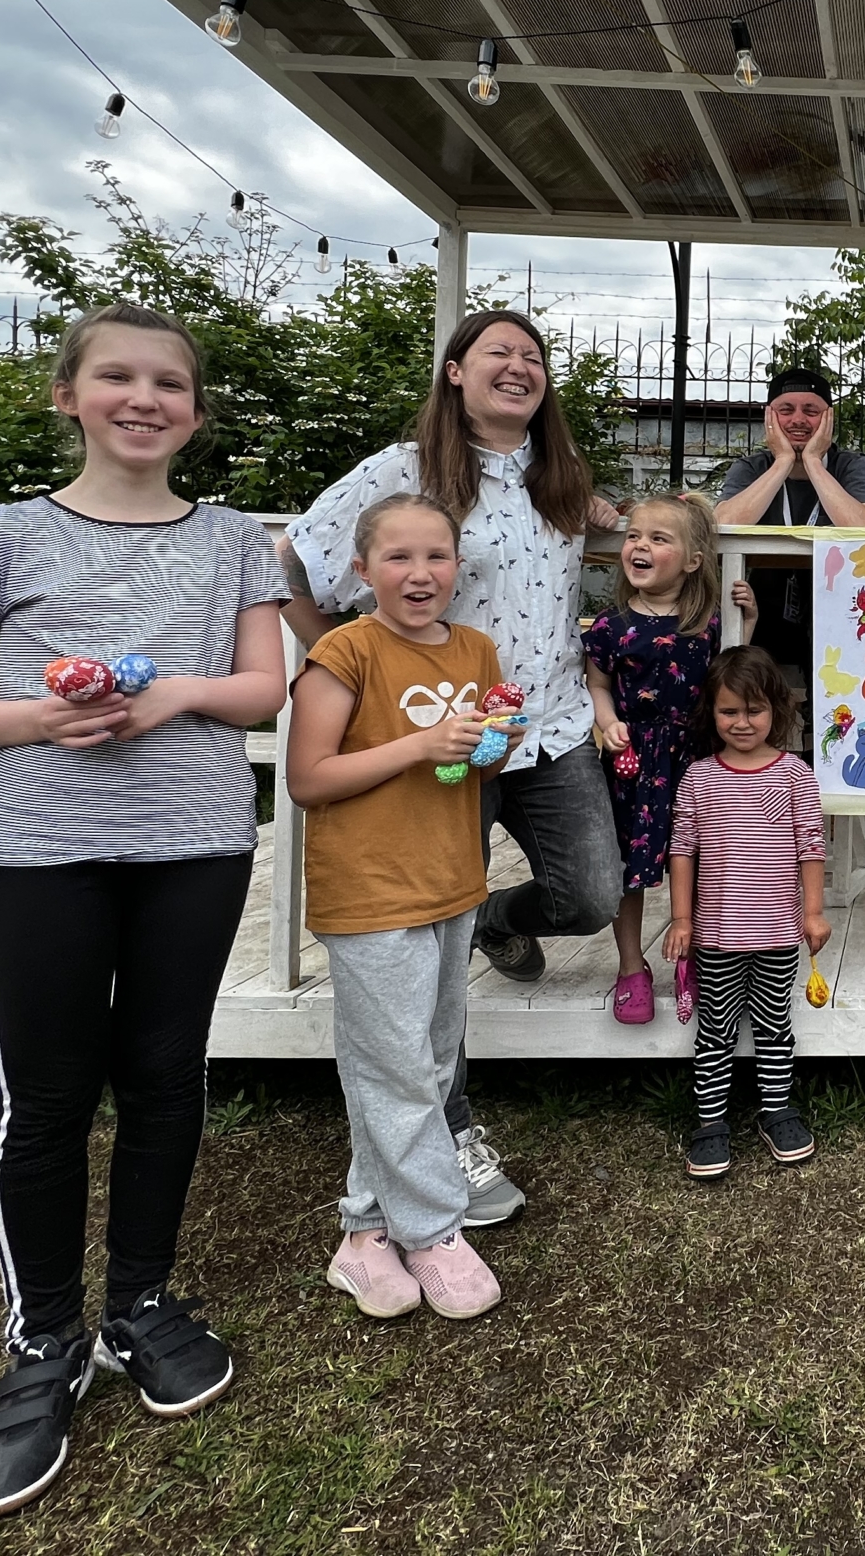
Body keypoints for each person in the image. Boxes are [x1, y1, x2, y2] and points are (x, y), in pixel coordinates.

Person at [0, 301, 288, 1521]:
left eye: (168, 383)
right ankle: (44, 1346)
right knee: (50, 1098)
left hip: (197, 842)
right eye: (116, 377)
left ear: (195, 411)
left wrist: (172, 694)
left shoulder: (232, 540)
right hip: (37, 852)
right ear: (67, 395)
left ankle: (143, 1303)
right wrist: (38, 717)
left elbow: (264, 683)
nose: (144, 398)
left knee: (168, 1075)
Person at [281, 310, 623, 1227]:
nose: (518, 368)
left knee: (589, 893)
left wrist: (623, 521)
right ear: (455, 372)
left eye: (534, 357)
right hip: (438, 738)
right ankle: (449, 1133)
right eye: (498, 354)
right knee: (431, 940)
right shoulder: (406, 470)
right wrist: (349, 672)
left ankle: (497, 922)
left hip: (544, 725)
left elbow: (622, 547)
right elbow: (295, 559)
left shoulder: (561, 476)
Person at [288, 492, 519, 1321]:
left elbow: (475, 774)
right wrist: (423, 743)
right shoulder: (345, 652)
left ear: (460, 567)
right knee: (396, 1068)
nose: (419, 574)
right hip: (370, 888)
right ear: (361, 570)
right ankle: (433, 1232)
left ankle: (363, 1233)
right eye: (398, 558)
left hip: (451, 880)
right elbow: (308, 779)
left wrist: (494, 744)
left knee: (413, 1062)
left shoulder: (477, 648)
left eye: (436, 557)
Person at [584, 492, 755, 1024]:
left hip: (695, 758)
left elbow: (730, 675)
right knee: (629, 869)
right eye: (634, 536)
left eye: (659, 539)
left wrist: (744, 621)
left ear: (692, 560)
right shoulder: (610, 627)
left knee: (705, 862)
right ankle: (631, 967)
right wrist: (607, 721)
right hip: (634, 760)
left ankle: (700, 957)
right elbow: (597, 684)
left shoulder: (704, 622)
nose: (639, 545)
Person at [663, 647, 829, 1181]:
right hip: (714, 936)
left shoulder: (795, 776)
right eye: (728, 711)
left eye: (753, 710)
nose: (741, 722)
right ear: (711, 714)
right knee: (715, 1029)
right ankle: (711, 1123)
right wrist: (682, 920)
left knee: (774, 1025)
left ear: (776, 711)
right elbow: (682, 850)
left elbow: (811, 848)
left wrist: (814, 913)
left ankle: (777, 1111)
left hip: (779, 932)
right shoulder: (698, 777)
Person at [711, 365, 865, 679]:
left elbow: (860, 527)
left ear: (828, 418)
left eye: (811, 410)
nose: (798, 420)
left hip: (837, 605)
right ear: (769, 417)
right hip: (760, 607)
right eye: (785, 410)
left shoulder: (852, 466)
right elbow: (725, 523)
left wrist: (814, 461)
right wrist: (784, 461)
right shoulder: (751, 468)